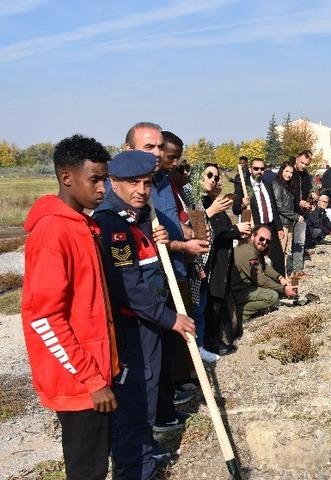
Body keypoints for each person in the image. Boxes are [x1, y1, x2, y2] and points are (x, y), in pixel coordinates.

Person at [92, 150, 196, 480]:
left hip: (149, 325)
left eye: (147, 182)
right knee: (135, 403)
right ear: (113, 182)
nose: (141, 189)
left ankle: (144, 458)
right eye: (132, 182)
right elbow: (129, 288)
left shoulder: (139, 219)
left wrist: (159, 239)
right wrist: (170, 319)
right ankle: (135, 469)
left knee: (146, 398)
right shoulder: (112, 224)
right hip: (133, 327)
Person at [22, 135, 116, 480]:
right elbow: (43, 317)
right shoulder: (53, 233)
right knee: (86, 470)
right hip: (80, 383)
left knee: (95, 464)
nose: (103, 188)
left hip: (96, 373)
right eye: (95, 179)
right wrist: (92, 380)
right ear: (66, 178)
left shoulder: (85, 226)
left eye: (105, 178)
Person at [124, 125, 202, 435]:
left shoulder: (161, 182)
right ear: (129, 148)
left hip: (165, 278)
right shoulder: (121, 193)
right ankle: (149, 426)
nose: (157, 154)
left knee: (163, 353)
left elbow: (167, 227)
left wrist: (180, 235)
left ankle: (163, 411)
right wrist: (181, 244)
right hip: (139, 296)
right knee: (145, 363)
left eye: (159, 148)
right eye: (149, 148)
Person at [198, 163, 252, 354]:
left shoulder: (216, 204)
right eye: (209, 176)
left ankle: (219, 338)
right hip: (209, 262)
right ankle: (209, 343)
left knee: (220, 299)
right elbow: (204, 232)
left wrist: (238, 232)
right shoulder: (199, 203)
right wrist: (234, 230)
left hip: (224, 257)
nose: (214, 180)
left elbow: (224, 228)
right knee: (211, 303)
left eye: (216, 177)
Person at [231, 157, 286, 277]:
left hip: (270, 227)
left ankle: (282, 286)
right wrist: (243, 204)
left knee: (278, 258)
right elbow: (235, 210)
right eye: (256, 168)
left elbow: (274, 208)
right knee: (255, 260)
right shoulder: (244, 187)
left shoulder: (267, 184)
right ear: (251, 169)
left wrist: (279, 227)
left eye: (262, 168)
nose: (259, 171)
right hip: (255, 229)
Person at [231, 225, 296, 322]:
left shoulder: (252, 246)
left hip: (244, 286)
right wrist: (283, 289)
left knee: (272, 294)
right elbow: (261, 281)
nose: (264, 243)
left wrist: (280, 278)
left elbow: (264, 266)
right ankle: (241, 314)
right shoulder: (248, 253)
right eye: (261, 239)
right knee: (272, 296)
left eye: (267, 241)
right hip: (237, 291)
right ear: (253, 235)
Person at [272, 161, 304, 275]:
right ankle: (281, 276)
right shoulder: (277, 184)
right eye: (286, 171)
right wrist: (296, 216)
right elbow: (279, 207)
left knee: (287, 250)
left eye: (291, 172)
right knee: (281, 251)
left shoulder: (287, 185)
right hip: (282, 223)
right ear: (281, 171)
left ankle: (284, 273)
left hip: (288, 222)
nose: (289, 174)